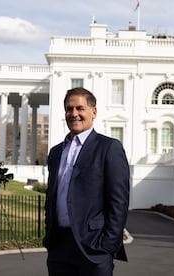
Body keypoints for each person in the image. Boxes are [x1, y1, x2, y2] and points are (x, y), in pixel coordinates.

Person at [43, 87, 130, 276]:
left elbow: (119, 201)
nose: (74, 114)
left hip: (93, 248)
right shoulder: (56, 152)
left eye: (80, 108)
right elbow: (52, 196)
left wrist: (107, 244)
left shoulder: (109, 148)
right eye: (69, 109)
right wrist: (49, 236)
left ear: (94, 112)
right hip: (59, 247)